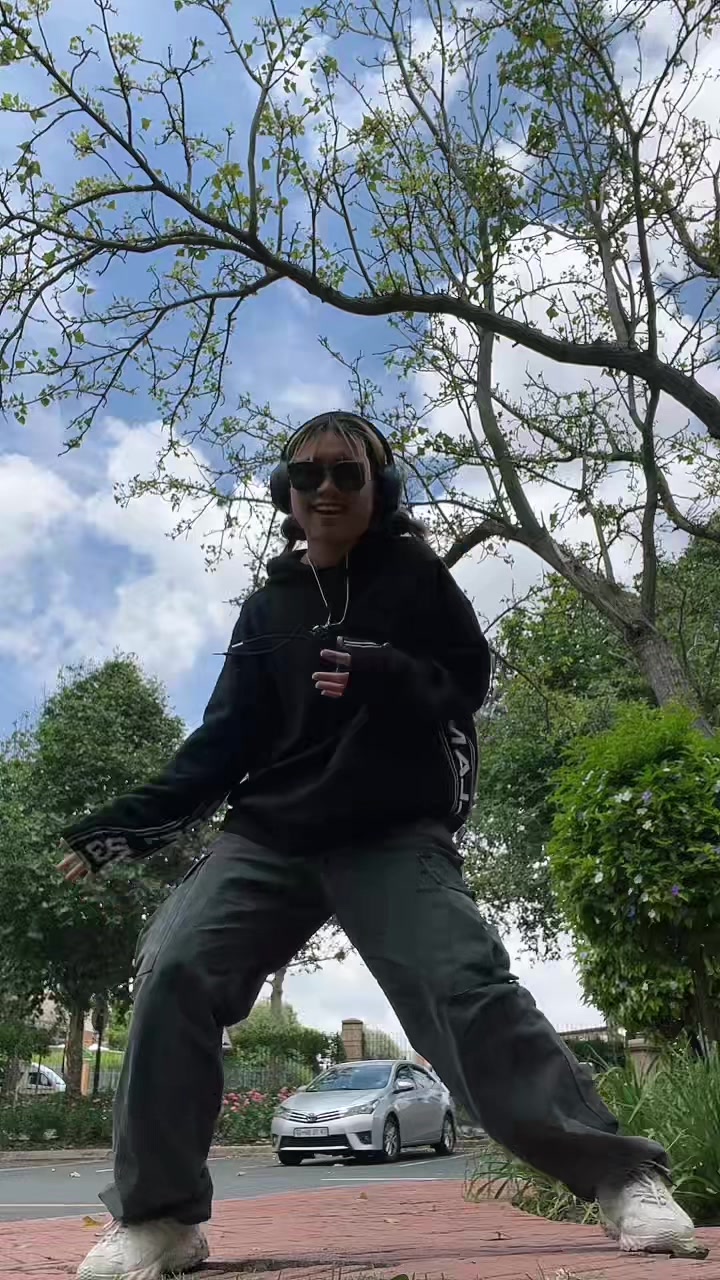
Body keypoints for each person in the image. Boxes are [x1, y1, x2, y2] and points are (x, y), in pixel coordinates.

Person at [58, 411, 705, 1280]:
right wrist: (117, 828)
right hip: (271, 832)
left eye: (347, 472)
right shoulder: (267, 609)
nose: (326, 488)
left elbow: (464, 681)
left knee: (464, 985)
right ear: (286, 493)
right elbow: (221, 744)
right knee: (173, 970)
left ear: (379, 487)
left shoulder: (415, 576)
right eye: (308, 473)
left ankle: (621, 1175)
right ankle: (161, 1218)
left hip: (391, 830)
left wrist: (388, 671)